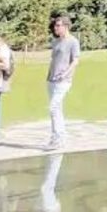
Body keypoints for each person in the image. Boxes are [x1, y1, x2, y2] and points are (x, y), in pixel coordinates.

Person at [46, 16, 81, 151]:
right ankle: (57, 137)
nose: (56, 28)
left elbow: (75, 60)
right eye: (55, 26)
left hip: (63, 80)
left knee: (53, 107)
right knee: (56, 110)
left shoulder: (73, 42)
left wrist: (65, 73)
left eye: (58, 25)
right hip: (51, 79)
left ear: (66, 26)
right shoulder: (56, 42)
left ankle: (58, 137)